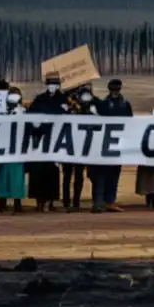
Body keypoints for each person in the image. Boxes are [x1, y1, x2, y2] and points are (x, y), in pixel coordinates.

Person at [91, 79, 133, 212]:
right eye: (113, 90)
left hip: (118, 144)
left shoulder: (125, 104)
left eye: (117, 90)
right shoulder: (103, 104)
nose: (115, 92)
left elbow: (130, 123)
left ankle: (110, 201)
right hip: (104, 144)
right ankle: (98, 201)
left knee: (114, 173)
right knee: (101, 173)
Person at [27, 73, 67, 212]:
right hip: (39, 139)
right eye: (50, 84)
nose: (52, 87)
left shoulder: (64, 99)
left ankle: (50, 201)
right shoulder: (40, 99)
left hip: (55, 140)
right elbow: (30, 114)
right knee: (38, 171)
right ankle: (39, 201)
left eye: (55, 84)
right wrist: (35, 124)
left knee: (52, 172)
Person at [0, 86, 27, 214]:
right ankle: (2, 203)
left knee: (17, 177)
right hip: (4, 150)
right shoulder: (2, 112)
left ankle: (17, 204)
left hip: (17, 150)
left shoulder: (23, 112)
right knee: (3, 176)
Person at [61, 84, 90, 212]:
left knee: (78, 174)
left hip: (80, 144)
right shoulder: (63, 104)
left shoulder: (84, 104)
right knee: (67, 175)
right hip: (67, 144)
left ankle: (76, 201)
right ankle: (66, 201)